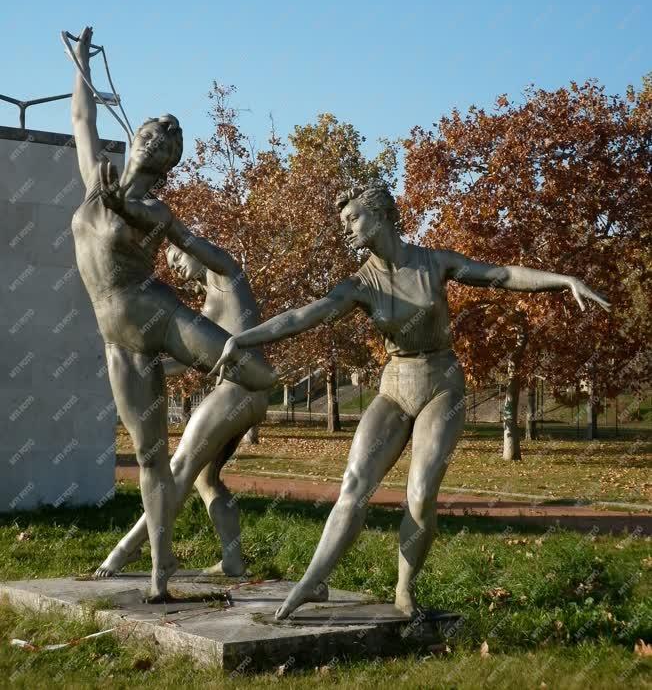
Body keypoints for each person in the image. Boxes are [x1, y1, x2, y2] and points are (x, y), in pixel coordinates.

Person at [212, 183, 610, 619]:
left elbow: (503, 274)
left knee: (420, 495)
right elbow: (303, 316)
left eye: (353, 219)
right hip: (394, 385)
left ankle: (404, 589)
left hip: (441, 383)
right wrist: (242, 339)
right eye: (342, 222)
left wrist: (564, 280)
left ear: (381, 216)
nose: (346, 230)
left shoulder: (432, 262)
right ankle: (313, 581)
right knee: (354, 484)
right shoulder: (360, 284)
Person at [69, 27, 275, 601]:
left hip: (156, 314)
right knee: (150, 460)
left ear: (166, 163)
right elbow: (83, 122)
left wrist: (145, 223)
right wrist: (82, 62)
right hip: (121, 341)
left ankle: (249, 381)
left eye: (161, 143)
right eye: (146, 135)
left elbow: (214, 257)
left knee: (259, 375)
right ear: (133, 141)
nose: (149, 143)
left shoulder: (152, 208)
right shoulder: (96, 185)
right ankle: (162, 574)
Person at [95, 242, 268, 579]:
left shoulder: (227, 276)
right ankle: (233, 560)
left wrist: (171, 227)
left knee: (177, 469)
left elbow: (193, 241)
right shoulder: (205, 309)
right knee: (206, 480)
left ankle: (127, 548)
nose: (173, 266)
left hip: (239, 391)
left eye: (177, 256)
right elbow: (187, 358)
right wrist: (136, 364)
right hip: (247, 396)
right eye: (169, 263)